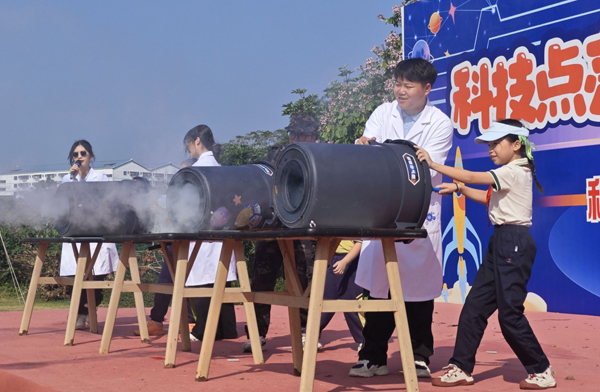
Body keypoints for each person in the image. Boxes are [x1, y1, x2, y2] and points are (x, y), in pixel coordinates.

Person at [415, 119, 555, 389]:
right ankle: (460, 367)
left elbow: (471, 176)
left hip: (513, 242)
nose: (491, 149)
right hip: (501, 241)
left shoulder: (514, 171)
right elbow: (487, 197)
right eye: (489, 144)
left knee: (509, 314)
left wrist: (433, 165)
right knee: (474, 308)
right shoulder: (510, 172)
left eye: (496, 143)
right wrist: (458, 189)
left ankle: (541, 370)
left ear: (516, 145)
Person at [349, 58, 453, 378]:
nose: (401, 91)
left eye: (408, 85)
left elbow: (422, 167)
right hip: (383, 212)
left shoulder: (440, 123)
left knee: (418, 293)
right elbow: (368, 152)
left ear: (427, 89)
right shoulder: (383, 113)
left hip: (418, 213)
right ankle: (373, 356)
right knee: (380, 289)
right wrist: (364, 145)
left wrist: (383, 154)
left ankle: (419, 355)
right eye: (398, 83)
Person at [241, 113, 319, 352]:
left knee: (306, 279)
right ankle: (257, 333)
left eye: (300, 133)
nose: (294, 137)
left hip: (303, 227)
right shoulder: (277, 154)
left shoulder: (320, 157)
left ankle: (307, 331)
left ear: (313, 136)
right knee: (262, 279)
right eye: (292, 132)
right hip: (274, 225)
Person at [184, 125, 238, 341]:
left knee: (203, 283)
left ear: (197, 141)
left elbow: (184, 203)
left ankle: (204, 330)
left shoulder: (195, 171)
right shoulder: (223, 169)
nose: (187, 150)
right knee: (220, 281)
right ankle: (226, 329)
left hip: (202, 234)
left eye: (188, 144)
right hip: (223, 234)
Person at [133, 157, 198, 337]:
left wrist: (159, 202)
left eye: (185, 171)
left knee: (181, 284)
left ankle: (188, 321)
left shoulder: (196, 190)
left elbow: (182, 211)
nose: (181, 175)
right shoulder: (180, 190)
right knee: (167, 282)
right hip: (177, 243)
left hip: (193, 243)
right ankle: (159, 320)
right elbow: (173, 211)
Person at [60, 140, 119, 330]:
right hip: (74, 234)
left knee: (96, 279)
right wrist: (72, 179)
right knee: (74, 277)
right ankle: (79, 312)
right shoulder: (66, 179)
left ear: (90, 156)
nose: (79, 158)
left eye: (83, 154)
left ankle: (87, 310)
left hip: (95, 234)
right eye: (75, 154)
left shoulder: (100, 178)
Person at [319, 240, 364, 349]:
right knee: (324, 302)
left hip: (351, 260)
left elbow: (360, 242)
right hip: (334, 258)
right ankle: (311, 335)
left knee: (352, 304)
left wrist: (345, 261)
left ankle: (364, 340)